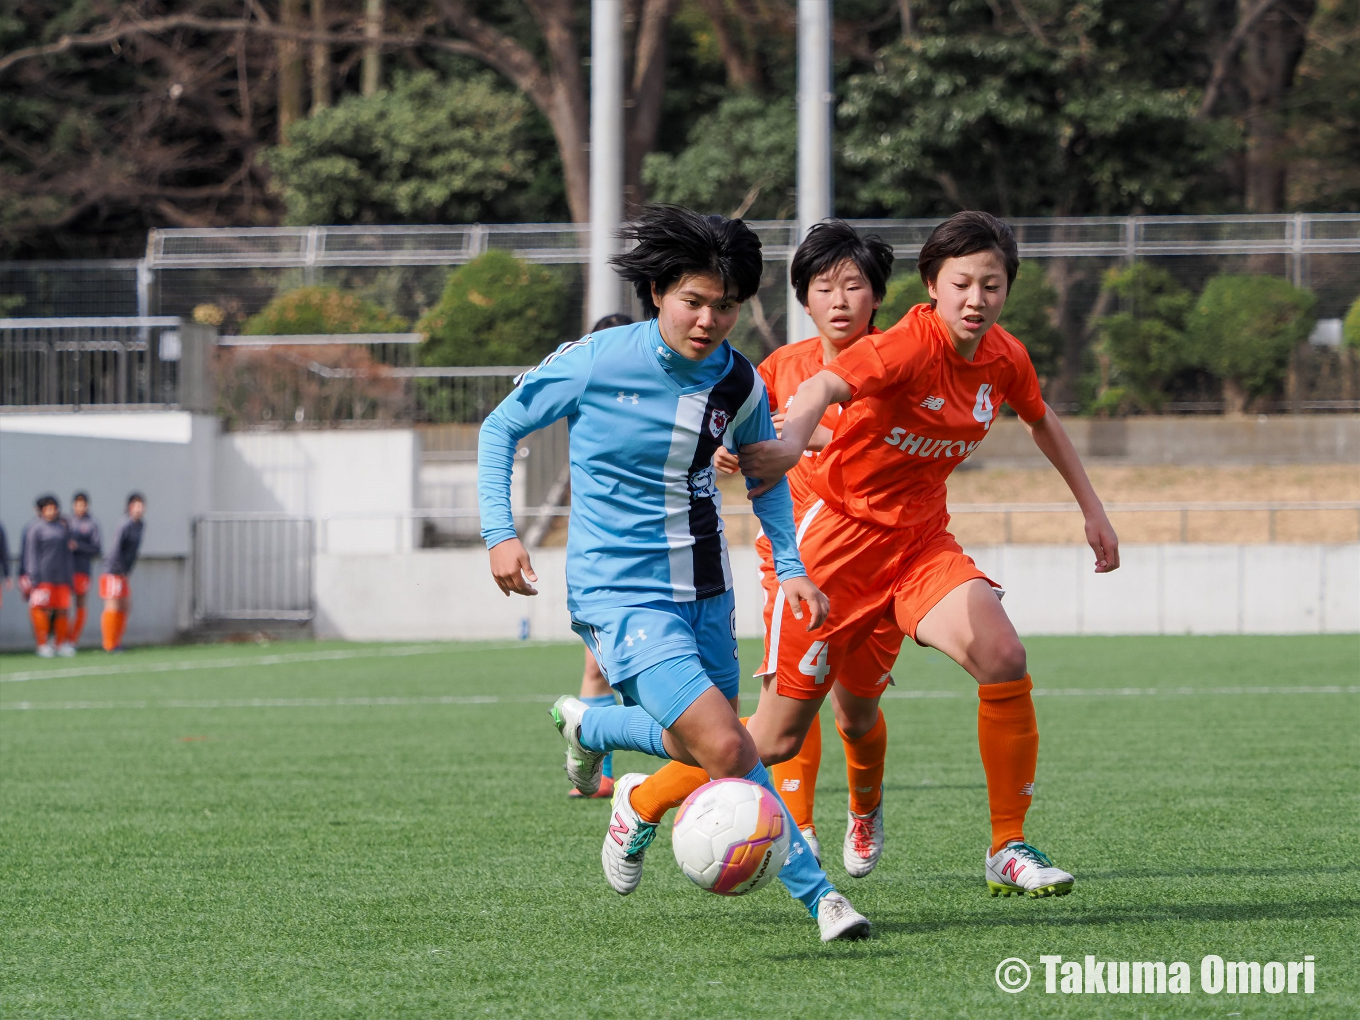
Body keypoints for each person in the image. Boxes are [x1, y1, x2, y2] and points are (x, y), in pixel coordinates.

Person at [478, 206, 870, 941]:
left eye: (725, 305)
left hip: (706, 591)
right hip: (619, 596)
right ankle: (823, 899)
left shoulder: (740, 384)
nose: (709, 319)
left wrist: (790, 567)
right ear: (658, 290)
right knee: (731, 747)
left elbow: (767, 477)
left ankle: (599, 734)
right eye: (694, 300)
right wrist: (501, 535)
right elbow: (500, 426)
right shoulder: (597, 359)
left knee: (711, 746)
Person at [739, 211, 1120, 898]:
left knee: (1000, 656)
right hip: (832, 550)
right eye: (962, 283)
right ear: (932, 287)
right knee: (775, 737)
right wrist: (786, 445)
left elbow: (1040, 417)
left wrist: (1092, 509)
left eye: (992, 285)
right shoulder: (899, 350)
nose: (977, 298)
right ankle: (647, 798)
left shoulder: (1004, 355)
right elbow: (817, 389)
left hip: (918, 546)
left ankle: (1007, 844)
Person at [620, 221, 901, 872]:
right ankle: (791, 829)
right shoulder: (778, 369)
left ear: (877, 297)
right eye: (823, 287)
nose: (839, 300)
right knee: (780, 722)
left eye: (854, 286)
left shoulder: (898, 366)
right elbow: (731, 430)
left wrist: (819, 439)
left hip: (882, 561)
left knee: (858, 711)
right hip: (798, 567)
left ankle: (863, 812)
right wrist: (722, 449)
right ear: (803, 298)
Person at [566, 313, 640, 801]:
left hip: (668, 555)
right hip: (604, 557)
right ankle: (599, 766)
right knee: (598, 669)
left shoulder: (654, 400)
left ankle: (590, 730)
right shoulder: (587, 397)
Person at [23, 495, 76, 657]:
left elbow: (68, 555)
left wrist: (69, 577)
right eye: (48, 508)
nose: (51, 511)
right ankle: (42, 644)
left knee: (62, 610)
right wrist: (33, 576)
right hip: (42, 578)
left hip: (61, 578)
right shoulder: (36, 528)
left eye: (54, 508)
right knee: (40, 609)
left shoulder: (62, 528)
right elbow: (30, 554)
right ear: (41, 510)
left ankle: (60, 643)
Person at [100, 493, 146, 653]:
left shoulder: (140, 525)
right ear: (129, 507)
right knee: (112, 605)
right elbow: (116, 549)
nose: (139, 509)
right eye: (136, 505)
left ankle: (117, 641)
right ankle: (109, 644)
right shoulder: (124, 524)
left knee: (125, 606)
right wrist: (119, 570)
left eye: (142, 505)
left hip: (124, 572)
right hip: (113, 570)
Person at [67, 491, 102, 646]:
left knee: (80, 604)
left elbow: (97, 549)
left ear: (87, 506)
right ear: (73, 506)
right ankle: (61, 637)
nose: (80, 507)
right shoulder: (67, 523)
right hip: (65, 570)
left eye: (83, 504)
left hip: (82, 569)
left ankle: (73, 639)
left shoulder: (92, 524)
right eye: (77, 504)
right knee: (64, 605)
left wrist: (78, 547)